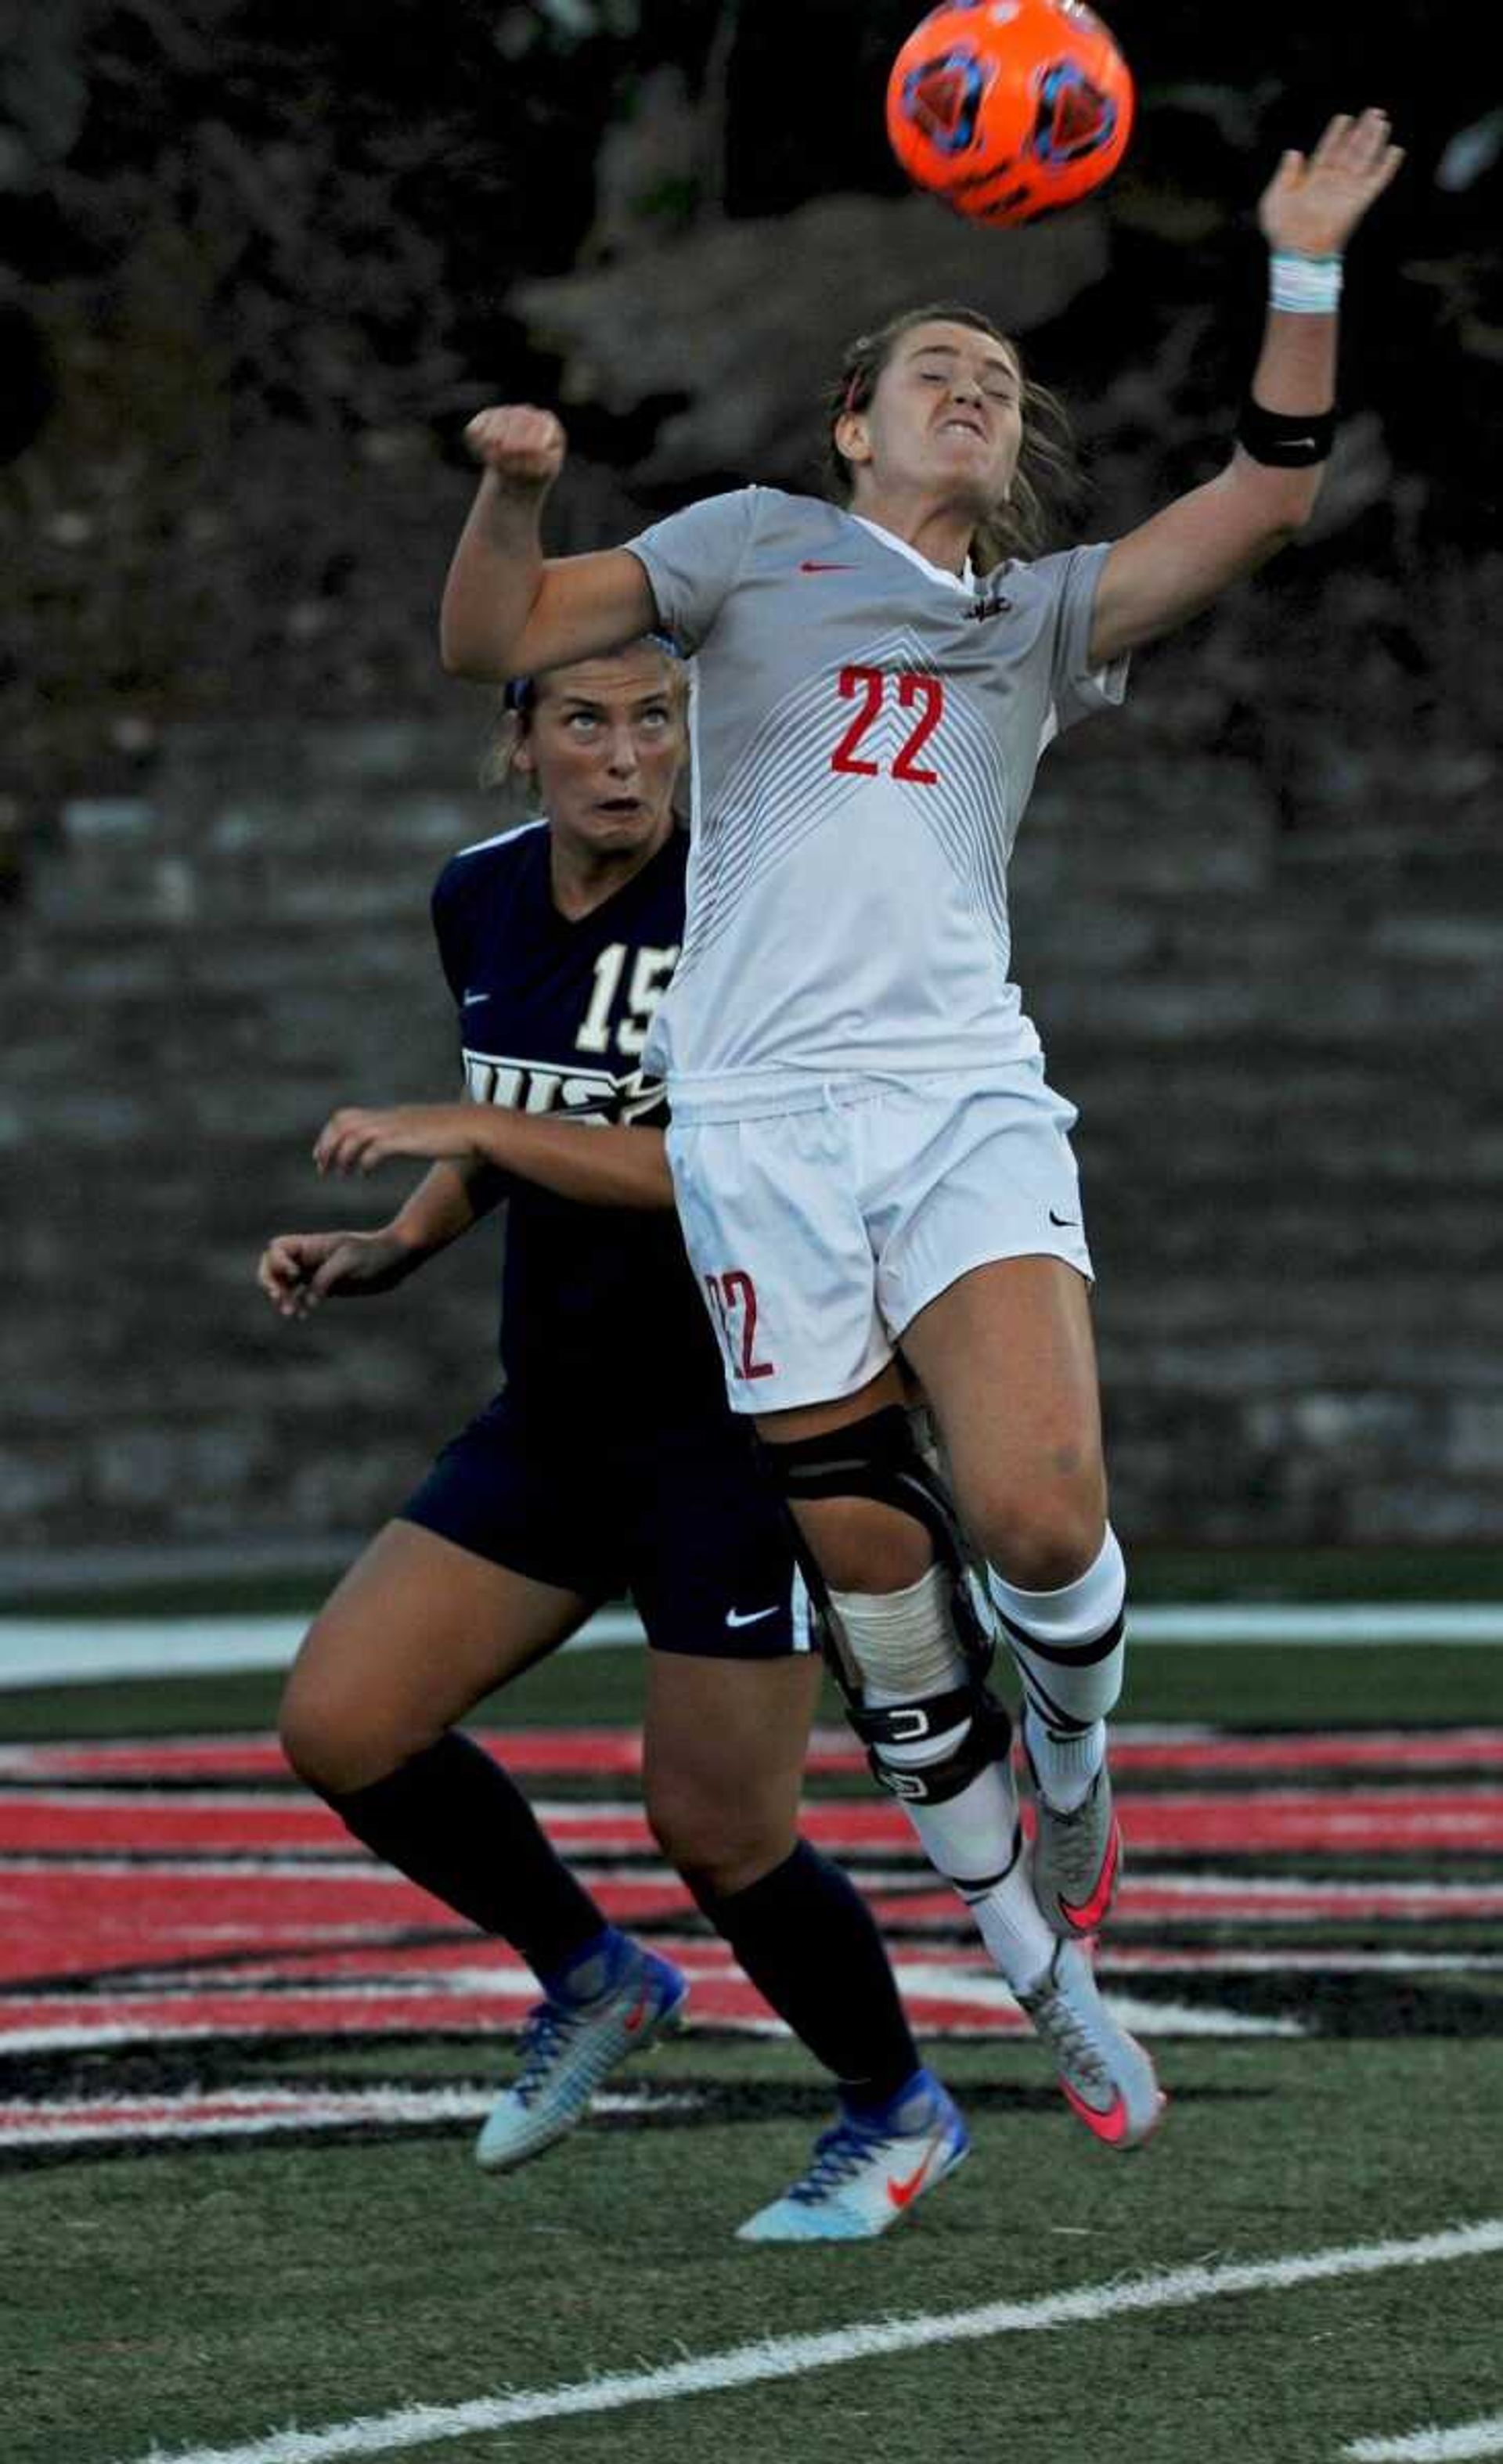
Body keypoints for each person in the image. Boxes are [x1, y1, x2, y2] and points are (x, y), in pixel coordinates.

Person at [439, 113, 1404, 2152]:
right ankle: (1042, 1978)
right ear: (853, 423)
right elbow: (492, 642)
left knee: (1043, 1517)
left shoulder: (1041, 616)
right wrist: (514, 495)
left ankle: (1074, 1762)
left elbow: (1264, 493)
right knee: (883, 1603)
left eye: (1007, 381)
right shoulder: (737, 548)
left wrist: (1301, 263)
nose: (980, 389)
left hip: (958, 1094)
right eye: (936, 373)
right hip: (754, 1133)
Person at [258, 636, 968, 2242]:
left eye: (659, 720)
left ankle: (895, 2105)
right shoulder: (484, 893)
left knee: (719, 1825)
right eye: (586, 720)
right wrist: (404, 1239)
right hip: (559, 1416)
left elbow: (721, 1170)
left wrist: (478, 1129)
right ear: (520, 744)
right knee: (342, 1719)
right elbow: (523, 1111)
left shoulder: (755, 912)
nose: (628, 755)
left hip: (745, 1426)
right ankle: (591, 1971)